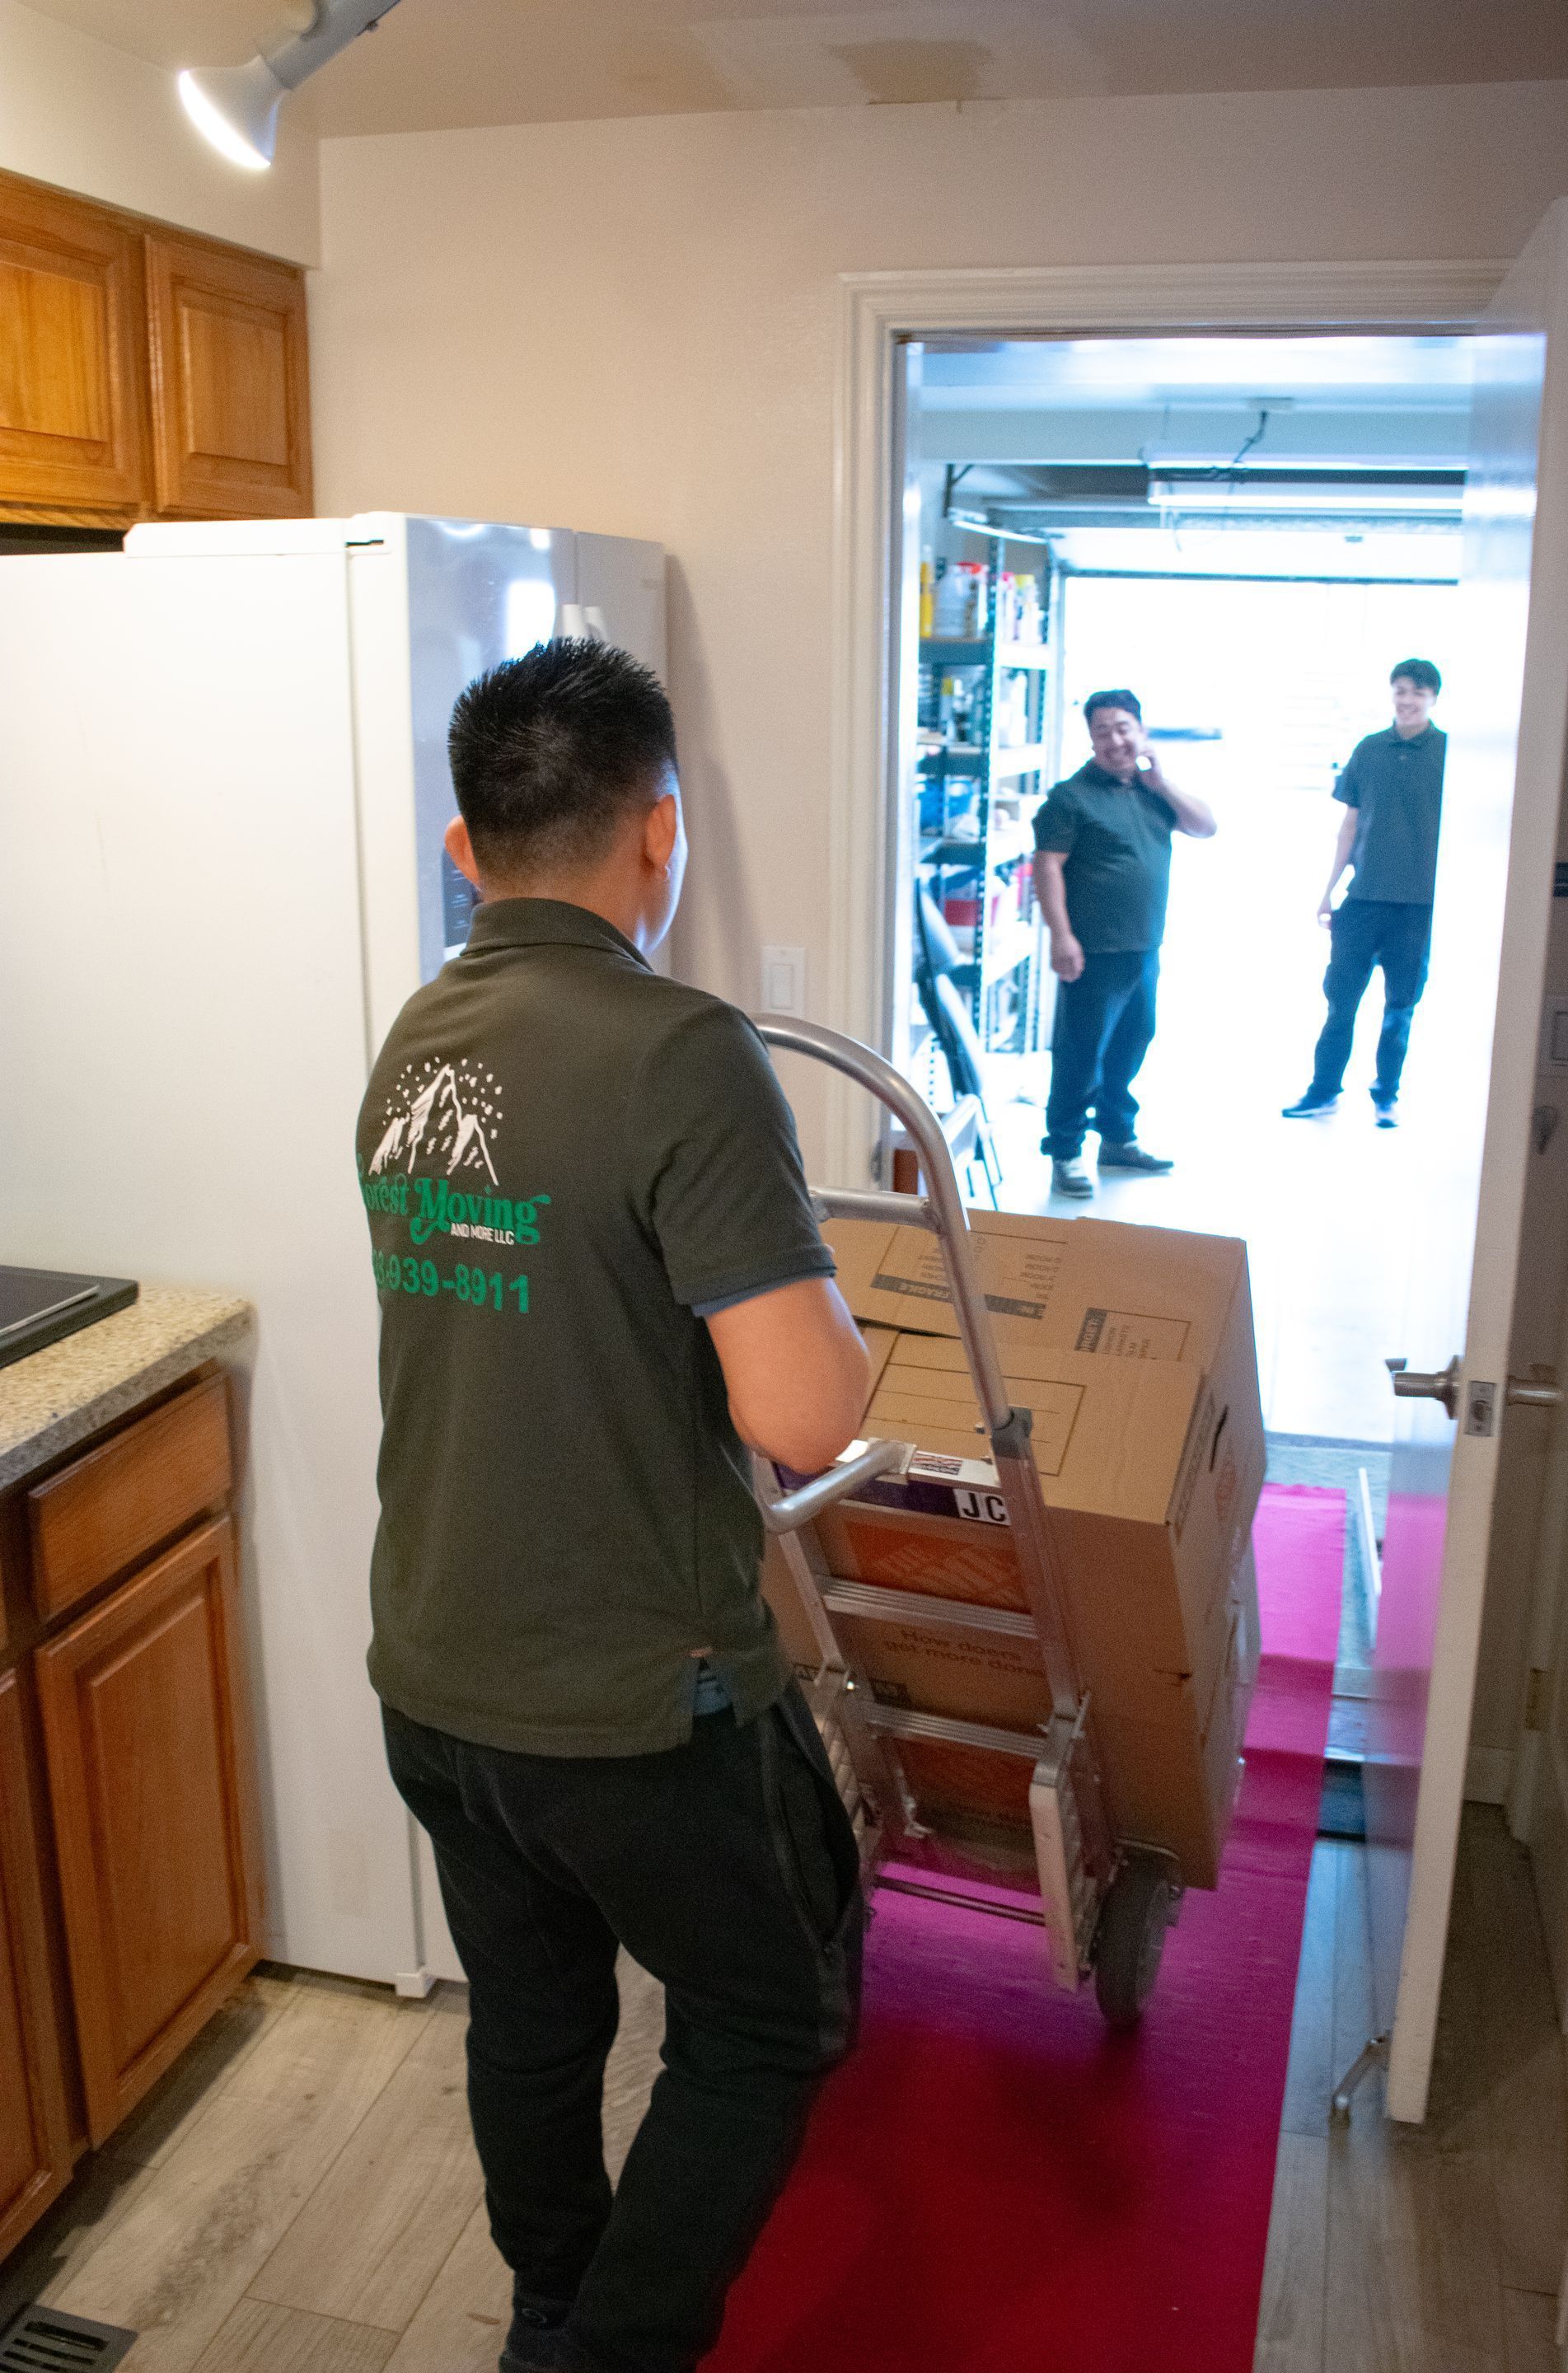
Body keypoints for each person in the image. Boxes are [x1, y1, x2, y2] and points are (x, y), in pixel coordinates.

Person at [356, 639, 872, 2373]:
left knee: (537, 2005)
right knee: (767, 2013)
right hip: (629, 1703)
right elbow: (804, 1415)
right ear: (661, 836)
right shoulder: (679, 1053)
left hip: (435, 1674)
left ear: (463, 847)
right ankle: (612, 2354)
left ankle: (549, 2309)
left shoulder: (423, 1037)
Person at [1032, 686, 1217, 1199]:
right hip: (1091, 952)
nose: (1113, 740)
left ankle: (1116, 1139)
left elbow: (1206, 827)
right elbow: (1047, 867)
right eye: (1102, 731)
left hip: (1143, 947)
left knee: (1132, 1045)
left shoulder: (1153, 792)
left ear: (1140, 731)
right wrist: (1061, 936)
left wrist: (1162, 780)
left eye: (1122, 728)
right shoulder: (1070, 798)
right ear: (1090, 739)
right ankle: (1065, 1151)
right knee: (1080, 1055)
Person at [1283, 658, 1446, 1129]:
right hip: (1363, 900)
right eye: (1400, 690)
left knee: (1400, 1006)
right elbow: (1349, 826)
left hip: (1418, 906)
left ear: (1433, 697)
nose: (1407, 699)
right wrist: (1328, 891)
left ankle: (1386, 1095)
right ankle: (1323, 1091)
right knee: (1341, 1003)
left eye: (1417, 691)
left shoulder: (1450, 753)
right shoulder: (1370, 750)